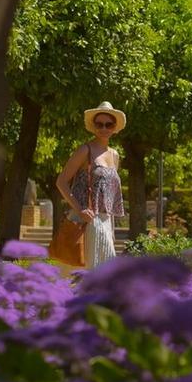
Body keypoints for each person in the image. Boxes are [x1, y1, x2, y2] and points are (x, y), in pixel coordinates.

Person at [55, 101, 126, 268]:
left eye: (109, 124)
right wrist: (80, 209)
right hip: (86, 221)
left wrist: (112, 230)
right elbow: (61, 182)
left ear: (114, 127)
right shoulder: (85, 150)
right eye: (99, 124)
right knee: (88, 273)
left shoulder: (115, 155)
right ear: (93, 126)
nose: (103, 128)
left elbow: (110, 195)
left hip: (105, 221)